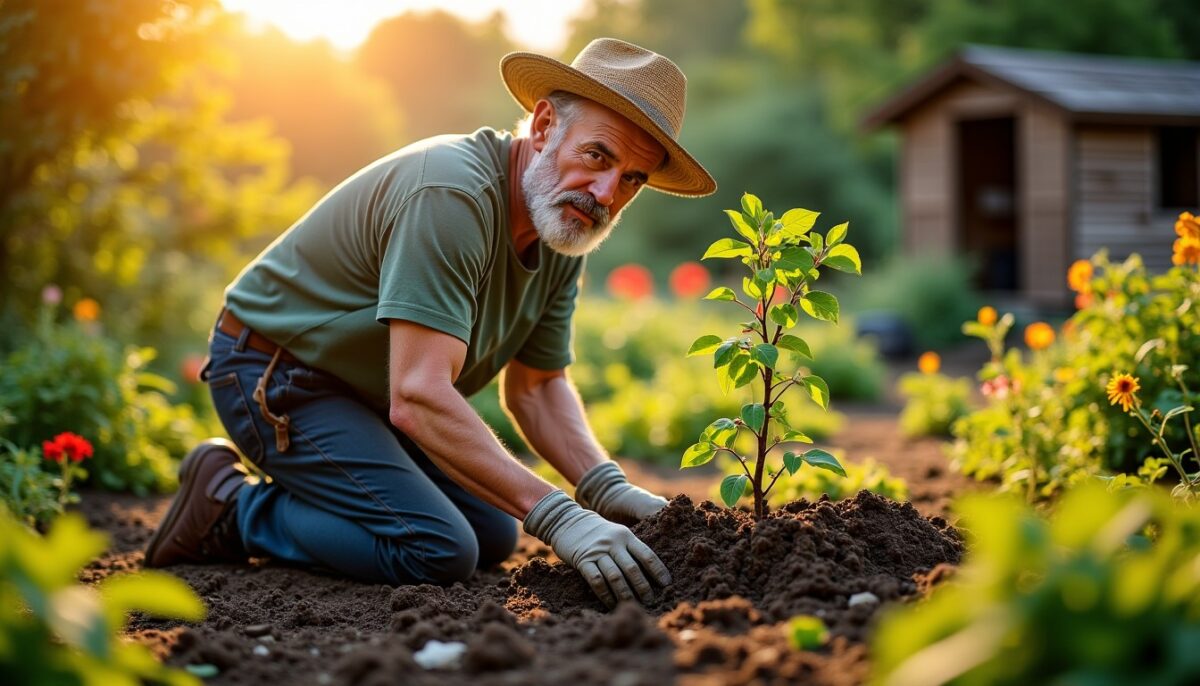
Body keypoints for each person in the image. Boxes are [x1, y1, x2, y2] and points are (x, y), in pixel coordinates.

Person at [144, 37, 716, 608]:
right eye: (598, 156)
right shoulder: (451, 195)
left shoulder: (561, 224)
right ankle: (230, 507)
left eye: (632, 179)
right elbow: (418, 395)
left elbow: (538, 389)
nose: (606, 194)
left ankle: (319, 495)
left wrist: (604, 489)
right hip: (276, 376)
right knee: (435, 546)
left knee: (493, 532)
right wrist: (561, 517)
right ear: (543, 127)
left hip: (363, 392)